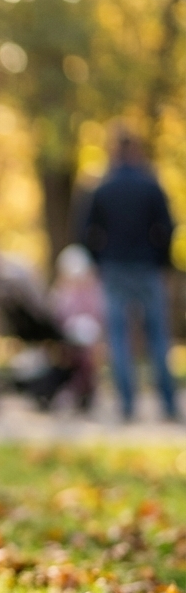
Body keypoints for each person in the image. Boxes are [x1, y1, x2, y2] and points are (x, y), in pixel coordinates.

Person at [81, 125, 178, 421]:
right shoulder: (151, 186)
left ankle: (126, 405)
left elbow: (86, 232)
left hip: (115, 268)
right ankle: (169, 405)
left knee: (119, 337)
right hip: (147, 267)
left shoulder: (102, 189)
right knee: (157, 336)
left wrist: (100, 259)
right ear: (136, 150)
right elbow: (168, 227)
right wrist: (160, 260)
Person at [49, 244, 104, 411]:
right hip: (67, 334)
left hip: (87, 335)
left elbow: (99, 314)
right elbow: (57, 313)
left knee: (85, 354)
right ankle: (72, 388)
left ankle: (84, 389)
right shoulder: (61, 291)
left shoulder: (93, 291)